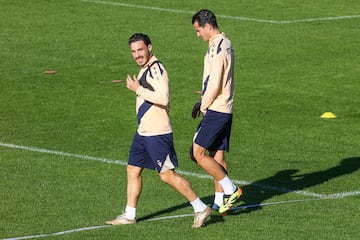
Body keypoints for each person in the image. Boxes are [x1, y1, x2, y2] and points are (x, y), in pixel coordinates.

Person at [105, 33, 211, 228]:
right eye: (133, 51)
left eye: (140, 50)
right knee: (132, 170)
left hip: (157, 134)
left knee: (166, 175)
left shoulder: (156, 69)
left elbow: (164, 98)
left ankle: (200, 207)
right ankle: (129, 215)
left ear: (149, 48)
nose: (137, 55)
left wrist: (138, 89)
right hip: (143, 132)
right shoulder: (146, 69)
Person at [190, 9, 242, 216]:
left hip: (217, 109)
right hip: (222, 107)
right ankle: (219, 203)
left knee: (198, 153)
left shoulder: (220, 46)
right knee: (217, 156)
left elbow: (216, 81)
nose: (197, 34)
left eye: (198, 30)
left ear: (208, 26)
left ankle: (231, 190)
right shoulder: (221, 44)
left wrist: (204, 104)